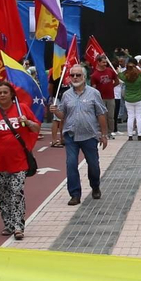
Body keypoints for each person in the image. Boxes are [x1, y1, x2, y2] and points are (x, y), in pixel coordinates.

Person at [0, 79, 39, 240]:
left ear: (12, 95)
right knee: (3, 194)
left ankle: (19, 226)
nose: (3, 95)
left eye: (5, 92)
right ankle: (8, 224)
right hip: (0, 163)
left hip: (19, 162)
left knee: (16, 192)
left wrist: (26, 122)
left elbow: (36, 127)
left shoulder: (22, 109)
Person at [52, 62, 109, 206]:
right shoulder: (66, 95)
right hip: (71, 136)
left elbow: (101, 114)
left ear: (84, 76)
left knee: (94, 165)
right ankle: (75, 194)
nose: (75, 77)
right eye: (73, 75)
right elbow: (62, 115)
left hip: (89, 135)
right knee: (71, 164)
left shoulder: (94, 93)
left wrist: (104, 134)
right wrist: (55, 111)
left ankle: (95, 186)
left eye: (78, 75)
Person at [122, 57, 141, 139]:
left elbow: (119, 76)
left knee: (130, 117)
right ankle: (140, 134)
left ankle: (130, 135)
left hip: (128, 98)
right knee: (139, 117)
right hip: (138, 98)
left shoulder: (125, 75)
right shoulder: (139, 75)